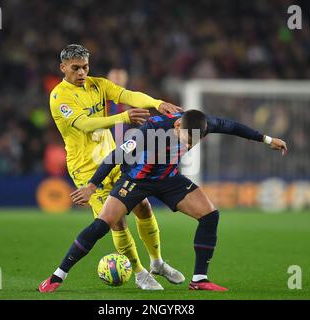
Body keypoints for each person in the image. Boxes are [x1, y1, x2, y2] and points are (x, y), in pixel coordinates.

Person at [39, 109, 288, 292]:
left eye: (193, 142)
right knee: (103, 224)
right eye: (186, 140)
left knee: (210, 214)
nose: (188, 145)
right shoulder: (152, 129)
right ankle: (57, 276)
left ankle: (199, 279)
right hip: (136, 179)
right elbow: (116, 154)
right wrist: (93, 185)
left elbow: (233, 126)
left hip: (168, 179)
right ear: (177, 125)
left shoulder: (204, 124)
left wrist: (268, 140)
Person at [38, 44, 184, 292]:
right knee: (116, 221)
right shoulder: (59, 97)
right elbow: (85, 124)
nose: (82, 72)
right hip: (86, 168)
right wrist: (123, 118)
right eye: (76, 68)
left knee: (143, 205)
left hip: (114, 159)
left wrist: (157, 103)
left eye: (85, 66)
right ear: (63, 68)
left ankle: (157, 263)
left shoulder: (98, 84)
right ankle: (139, 273)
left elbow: (128, 95)